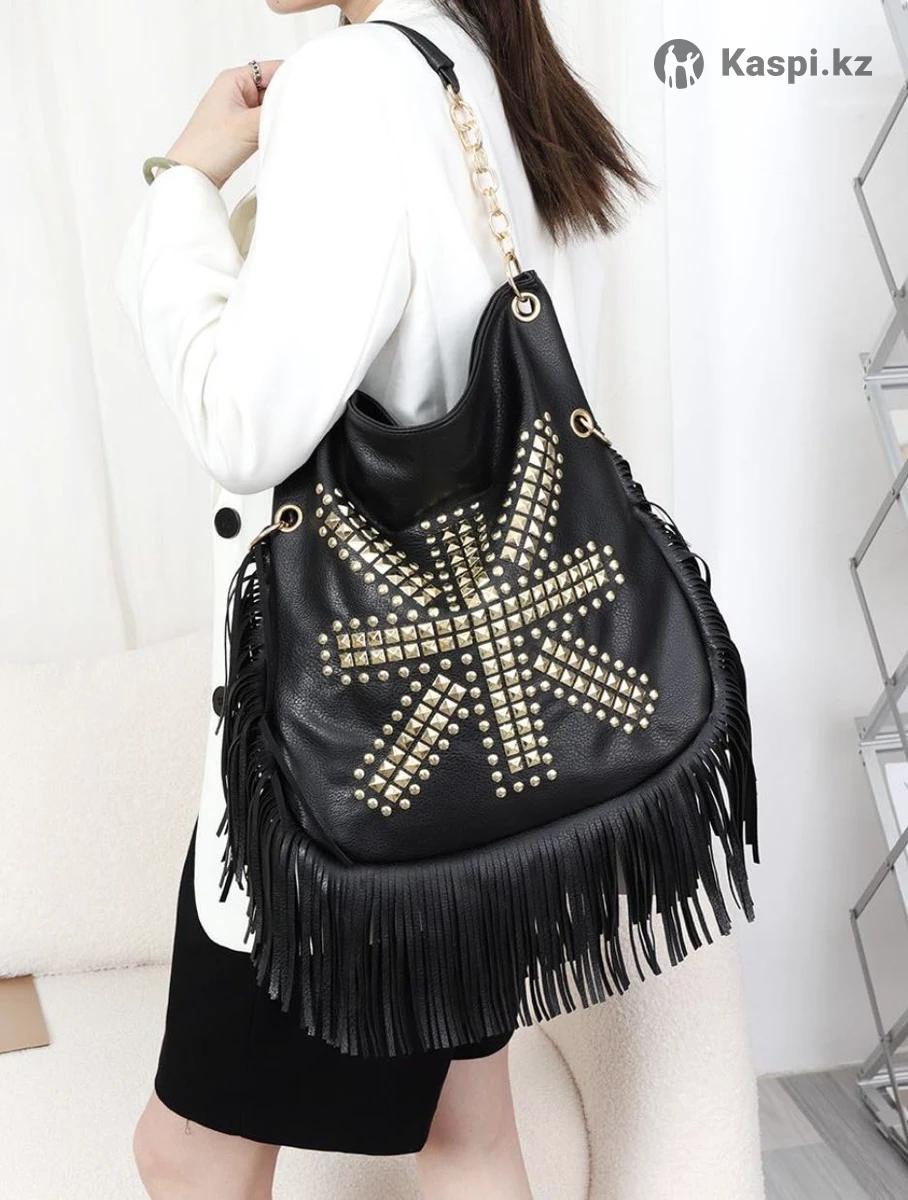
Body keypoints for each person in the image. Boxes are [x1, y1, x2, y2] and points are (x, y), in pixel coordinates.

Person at [115, 0, 643, 1196]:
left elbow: (242, 425)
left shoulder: (353, 81)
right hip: (476, 751)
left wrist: (183, 182)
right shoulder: (482, 65)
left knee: (185, 1152)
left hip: (343, 770)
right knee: (467, 1136)